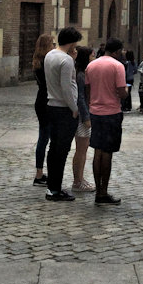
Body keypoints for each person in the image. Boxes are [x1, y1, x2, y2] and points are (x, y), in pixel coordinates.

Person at [86, 38, 127, 205]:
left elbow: (87, 90)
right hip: (111, 112)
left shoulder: (92, 65)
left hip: (95, 112)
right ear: (116, 52)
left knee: (97, 151)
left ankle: (98, 190)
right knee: (107, 152)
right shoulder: (118, 66)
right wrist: (125, 91)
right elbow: (121, 92)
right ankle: (103, 190)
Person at [44, 27, 82, 202]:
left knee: (54, 149)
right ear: (72, 42)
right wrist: (74, 108)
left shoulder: (50, 55)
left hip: (51, 105)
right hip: (63, 108)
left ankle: (52, 186)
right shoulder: (66, 60)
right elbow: (67, 87)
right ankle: (55, 189)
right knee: (61, 150)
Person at [31, 34, 55, 187]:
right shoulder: (47, 61)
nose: (54, 46)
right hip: (46, 101)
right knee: (45, 138)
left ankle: (40, 172)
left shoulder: (37, 60)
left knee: (44, 137)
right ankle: (40, 175)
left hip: (41, 99)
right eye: (52, 44)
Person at [71, 47, 94, 194]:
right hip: (81, 117)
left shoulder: (82, 73)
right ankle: (77, 181)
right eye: (92, 55)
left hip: (83, 115)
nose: (94, 57)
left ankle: (80, 178)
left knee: (83, 150)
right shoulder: (80, 75)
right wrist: (86, 117)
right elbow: (80, 98)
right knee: (81, 149)